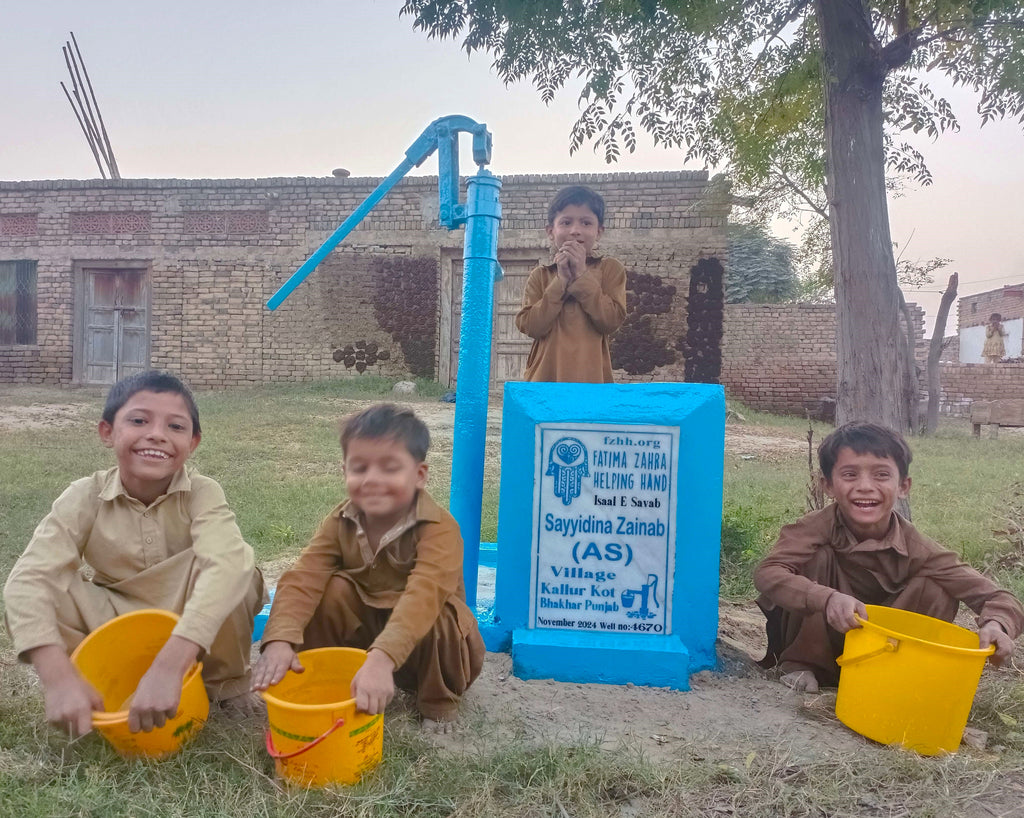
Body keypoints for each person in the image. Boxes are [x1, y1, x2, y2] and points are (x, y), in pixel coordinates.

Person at [4, 371, 265, 737]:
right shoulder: (85, 495)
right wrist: (57, 677)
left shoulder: (202, 492)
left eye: (175, 426)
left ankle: (227, 688)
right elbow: (27, 581)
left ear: (193, 442)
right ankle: (94, 683)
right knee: (46, 586)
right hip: (115, 617)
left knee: (236, 569)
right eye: (139, 420)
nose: (157, 434)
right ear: (107, 432)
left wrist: (169, 667)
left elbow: (229, 565)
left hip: (186, 613)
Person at [252, 404, 485, 729]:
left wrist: (382, 658)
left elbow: (424, 594)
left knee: (443, 615)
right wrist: (279, 640)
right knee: (331, 590)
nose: (372, 480)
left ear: (419, 475)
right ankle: (325, 680)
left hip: (423, 651)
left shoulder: (439, 528)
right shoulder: (340, 521)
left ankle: (438, 704)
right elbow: (303, 578)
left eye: (390, 468)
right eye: (360, 468)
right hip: (364, 647)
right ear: (344, 470)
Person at [754, 421, 1023, 693]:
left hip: (883, 652)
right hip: (821, 644)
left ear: (903, 486)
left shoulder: (918, 547)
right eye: (849, 475)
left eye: (881, 475)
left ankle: (897, 676)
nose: (865, 487)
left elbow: (999, 597)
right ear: (828, 486)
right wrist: (827, 598)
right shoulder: (814, 527)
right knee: (815, 558)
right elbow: (768, 572)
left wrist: (996, 624)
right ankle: (802, 665)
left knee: (937, 586)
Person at [515, 185, 627, 382]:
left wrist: (581, 275)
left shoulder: (609, 269)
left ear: (599, 231)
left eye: (586, 223)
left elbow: (610, 321)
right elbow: (531, 326)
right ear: (550, 231)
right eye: (566, 222)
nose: (575, 231)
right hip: (545, 380)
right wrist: (561, 281)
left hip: (592, 382)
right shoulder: (541, 276)